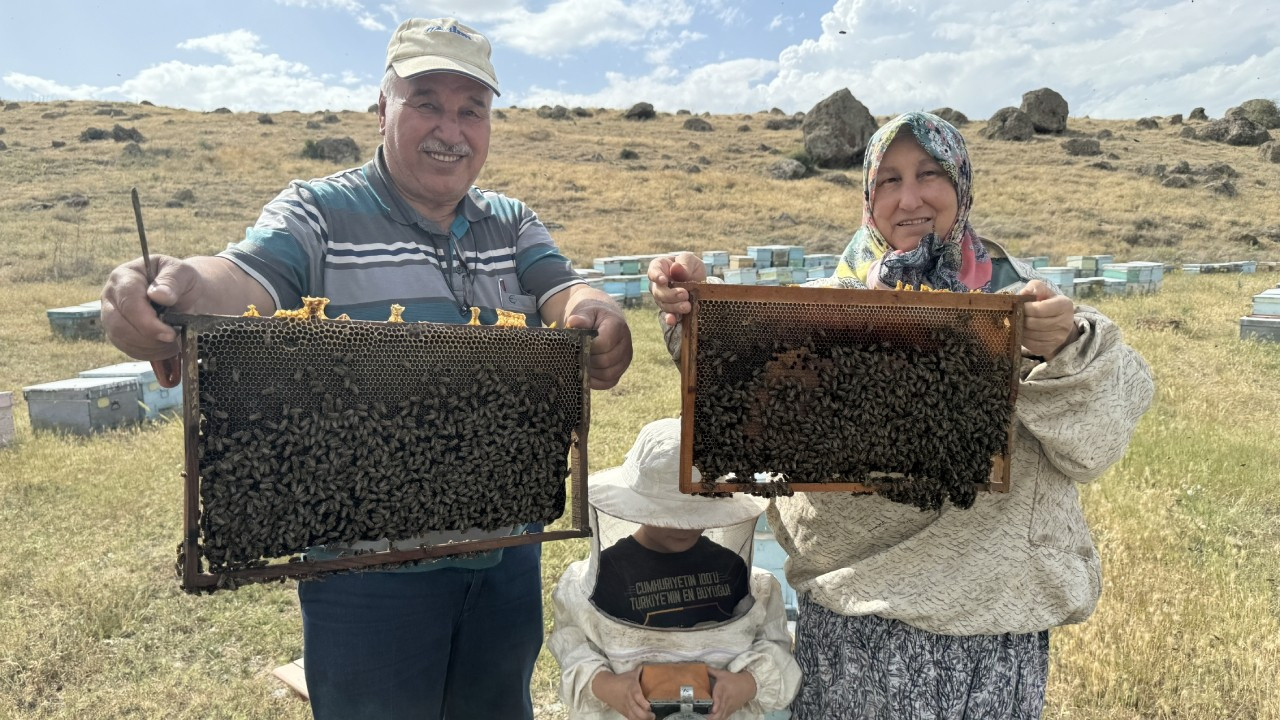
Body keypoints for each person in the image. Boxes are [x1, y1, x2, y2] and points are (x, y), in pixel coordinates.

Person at [101, 17, 632, 720]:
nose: (452, 127)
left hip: (504, 556)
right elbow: (237, 280)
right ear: (382, 108)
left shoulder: (511, 222)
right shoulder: (316, 215)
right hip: (366, 573)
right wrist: (173, 292)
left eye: (471, 109)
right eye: (427, 102)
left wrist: (597, 310)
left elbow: (564, 288)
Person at [647, 111, 1154, 718]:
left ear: (961, 185)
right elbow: (739, 398)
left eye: (929, 173)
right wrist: (696, 308)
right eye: (888, 179)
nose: (908, 197)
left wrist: (1066, 344)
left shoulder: (1022, 302)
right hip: (856, 625)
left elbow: (1097, 440)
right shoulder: (816, 311)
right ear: (868, 196)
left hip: (991, 631)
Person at [548, 417, 801, 720]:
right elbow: (573, 648)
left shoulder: (734, 570)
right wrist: (608, 686)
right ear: (637, 504)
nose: (683, 527)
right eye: (669, 514)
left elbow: (773, 645)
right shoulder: (606, 576)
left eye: (694, 513)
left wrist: (746, 684)